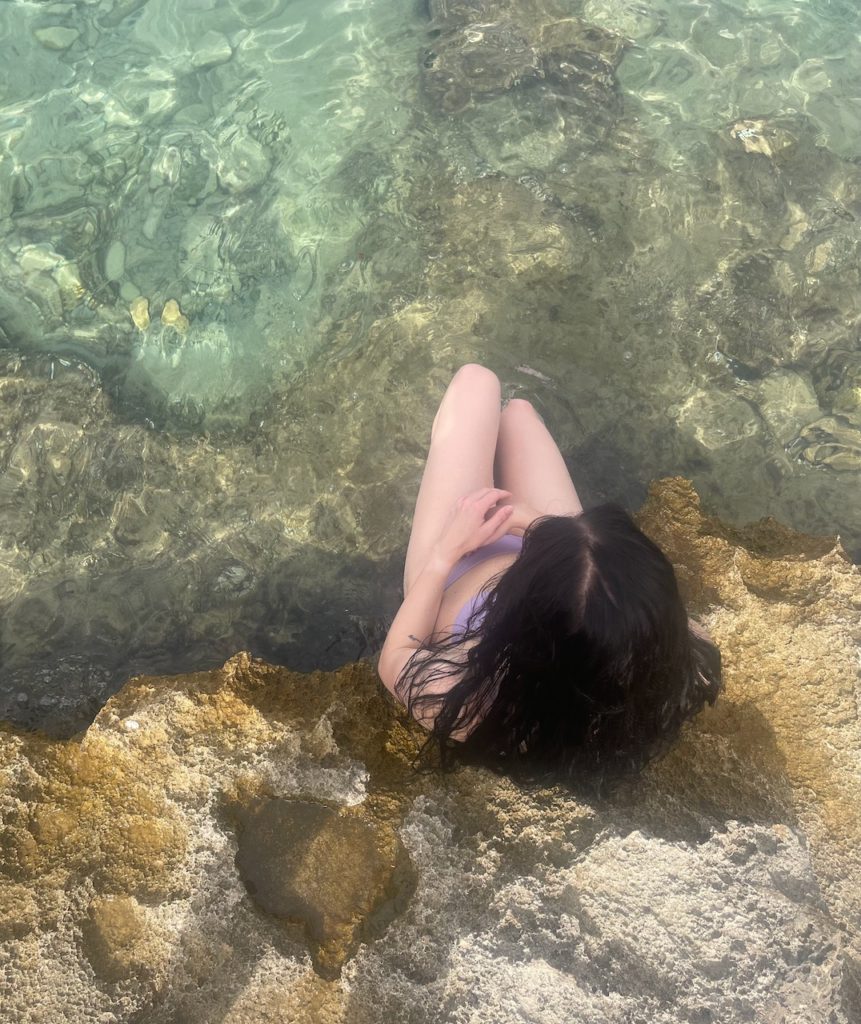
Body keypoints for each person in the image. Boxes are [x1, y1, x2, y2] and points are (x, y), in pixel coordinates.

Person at [378, 364, 722, 788]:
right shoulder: (673, 661)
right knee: (519, 413)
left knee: (476, 382)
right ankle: (567, 540)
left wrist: (444, 555)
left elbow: (395, 660)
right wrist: (542, 528)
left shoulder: (471, 702)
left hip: (457, 579)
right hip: (565, 569)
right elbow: (642, 611)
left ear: (522, 627)